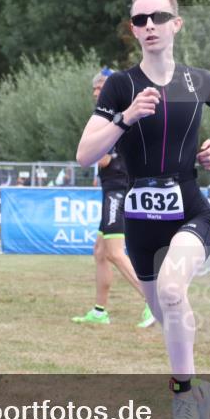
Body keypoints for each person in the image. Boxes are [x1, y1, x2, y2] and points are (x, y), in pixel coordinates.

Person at [76, 0, 210, 419]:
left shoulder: (199, 81)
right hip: (140, 222)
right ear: (133, 29)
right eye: (140, 19)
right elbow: (85, 153)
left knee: (171, 291)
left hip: (190, 208)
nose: (149, 25)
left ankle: (184, 401)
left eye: (158, 16)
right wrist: (125, 118)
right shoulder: (120, 86)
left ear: (176, 24)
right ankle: (197, 390)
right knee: (165, 308)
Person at [74, 68, 155, 328]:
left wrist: (91, 147)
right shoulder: (116, 117)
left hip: (118, 189)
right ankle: (100, 311)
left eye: (100, 88)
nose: (96, 93)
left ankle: (154, 303)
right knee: (100, 251)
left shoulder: (114, 119)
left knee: (115, 252)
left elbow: (102, 158)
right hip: (114, 188)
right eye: (95, 89)